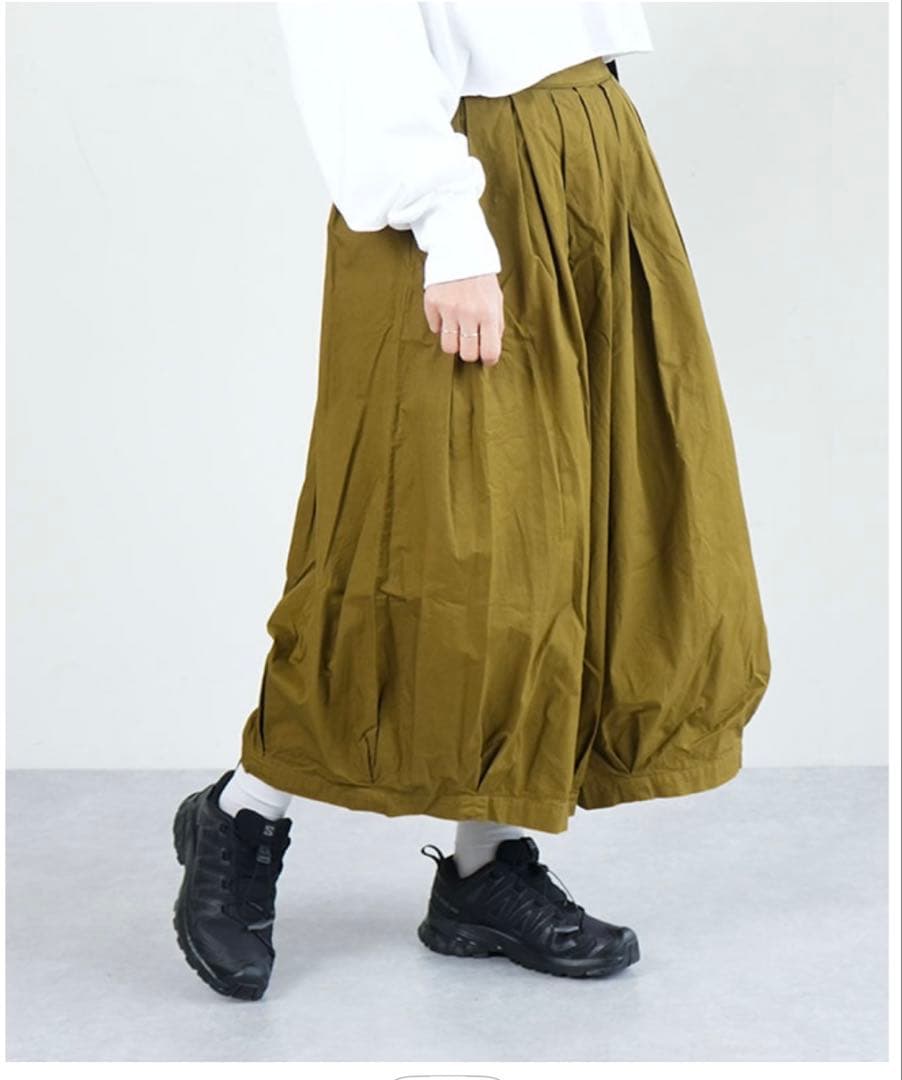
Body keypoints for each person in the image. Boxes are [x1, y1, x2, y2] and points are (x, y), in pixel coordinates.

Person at [172, 0, 772, 1001]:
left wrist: (590, 141)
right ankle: (242, 813)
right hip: (470, 183)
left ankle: (482, 869)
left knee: (567, 540)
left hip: (590, 147)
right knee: (422, 547)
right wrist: (449, 229)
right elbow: (351, 31)